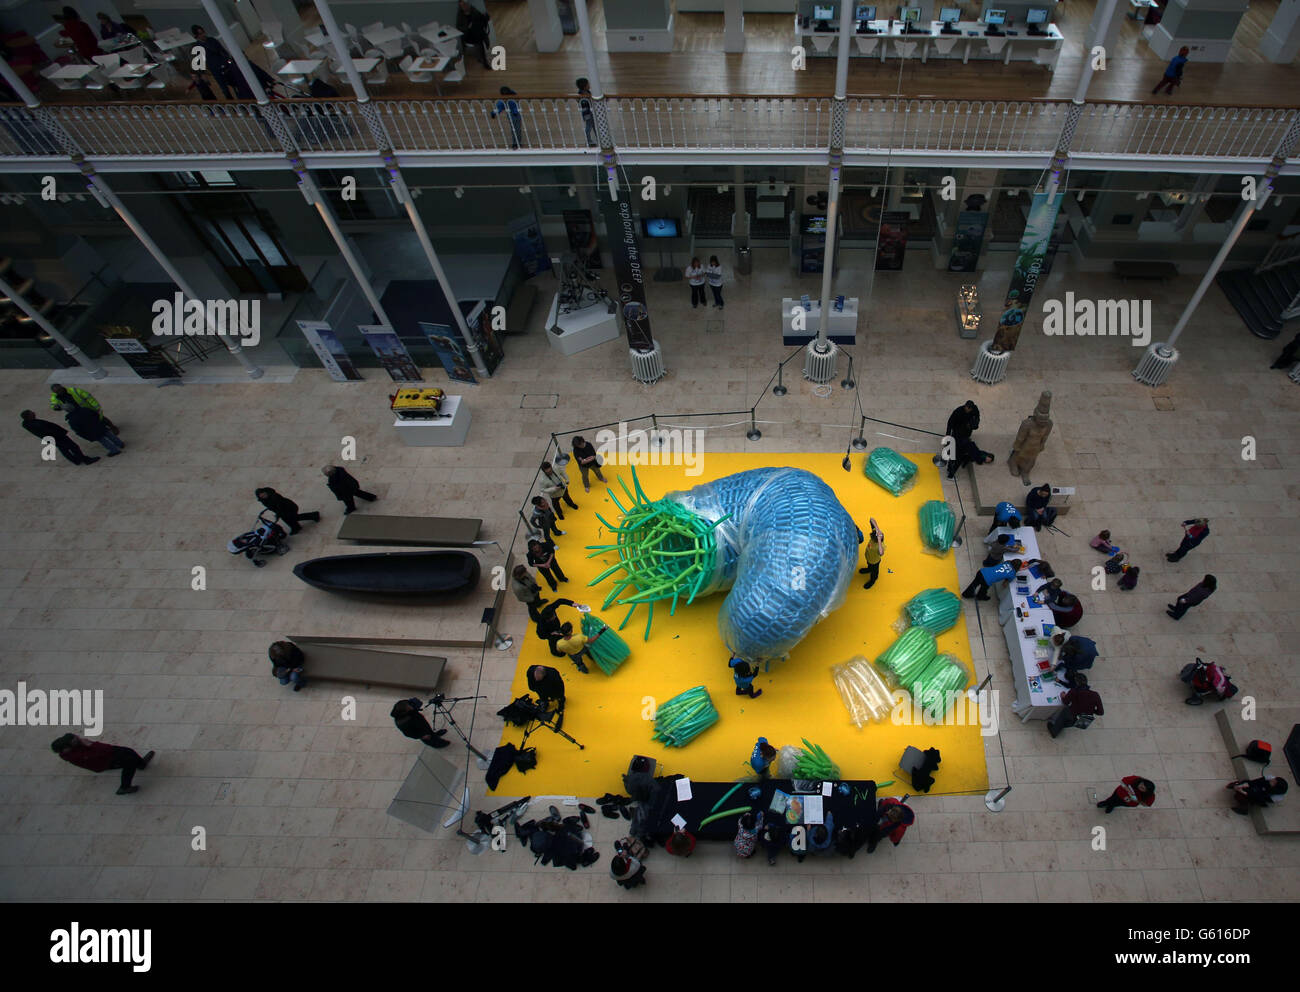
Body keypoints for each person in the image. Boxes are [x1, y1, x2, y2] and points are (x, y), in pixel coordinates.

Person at [52, 733, 153, 795]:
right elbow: (101, 752)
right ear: (65, 748)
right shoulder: (74, 756)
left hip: (108, 752)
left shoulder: (75, 747)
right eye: (73, 741)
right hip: (105, 762)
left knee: (129, 751)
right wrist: (90, 744)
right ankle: (124, 787)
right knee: (129, 762)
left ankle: (141, 764)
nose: (76, 740)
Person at [19, 410, 98, 465]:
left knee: (64, 450)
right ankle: (84, 459)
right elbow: (48, 430)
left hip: (52, 438)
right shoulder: (36, 424)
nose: (34, 413)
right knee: (74, 447)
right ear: (29, 416)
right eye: (31, 413)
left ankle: (75, 461)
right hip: (57, 437)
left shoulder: (29, 424)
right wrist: (60, 434)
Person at [191, 24, 237, 99]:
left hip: (224, 64)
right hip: (214, 68)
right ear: (197, 35)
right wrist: (203, 74)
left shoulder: (212, 40)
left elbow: (222, 50)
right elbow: (200, 62)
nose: (203, 35)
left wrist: (229, 60)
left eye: (203, 32)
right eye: (200, 34)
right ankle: (231, 101)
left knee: (235, 82)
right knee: (224, 88)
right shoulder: (197, 47)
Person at [50, 384, 117, 434]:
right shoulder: (55, 397)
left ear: (62, 387)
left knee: (101, 418)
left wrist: (96, 407)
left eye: (60, 389)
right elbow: (53, 405)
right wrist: (57, 407)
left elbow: (89, 397)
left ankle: (113, 427)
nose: (59, 392)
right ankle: (103, 430)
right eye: (57, 391)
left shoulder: (74, 391)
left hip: (88, 409)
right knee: (91, 422)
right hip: (76, 413)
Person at [255, 487, 320, 535]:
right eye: (261, 496)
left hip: (289, 508)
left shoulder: (274, 496)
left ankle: (314, 515)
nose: (263, 496)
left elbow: (279, 505)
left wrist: (278, 514)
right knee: (287, 519)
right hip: (282, 511)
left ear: (265, 492)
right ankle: (296, 527)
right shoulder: (264, 500)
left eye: (263, 494)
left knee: (294, 518)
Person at [456, 0, 493, 69]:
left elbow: (482, 20)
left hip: (477, 33)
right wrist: (467, 27)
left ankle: (483, 60)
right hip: (468, 35)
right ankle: (483, 60)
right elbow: (459, 27)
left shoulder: (474, 11)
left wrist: (485, 17)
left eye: (465, 4)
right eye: (462, 5)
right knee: (479, 39)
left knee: (478, 37)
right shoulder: (460, 15)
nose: (464, 6)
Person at [859, 521, 884, 589]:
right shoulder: (875, 534)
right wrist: (877, 529)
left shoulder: (880, 546)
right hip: (869, 558)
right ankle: (869, 569)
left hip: (874, 562)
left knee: (874, 572)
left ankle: (873, 580)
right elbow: (871, 519)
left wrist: (879, 540)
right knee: (869, 565)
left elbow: (881, 553)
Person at [576, 78, 597, 146]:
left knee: (594, 125)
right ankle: (588, 140)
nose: (589, 85)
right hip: (587, 112)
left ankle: (597, 137)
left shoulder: (586, 92)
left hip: (589, 111)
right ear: (584, 86)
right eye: (588, 84)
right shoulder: (583, 94)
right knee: (589, 126)